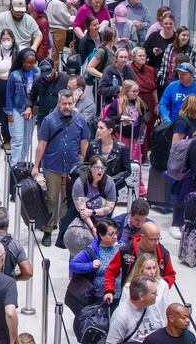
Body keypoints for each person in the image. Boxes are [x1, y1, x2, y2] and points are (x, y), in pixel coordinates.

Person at [33, 90, 89, 246]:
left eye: (70, 103)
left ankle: (64, 232)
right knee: (51, 199)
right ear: (59, 103)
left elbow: (84, 141)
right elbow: (42, 143)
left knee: (67, 201)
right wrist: (36, 165)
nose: (67, 106)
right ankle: (48, 230)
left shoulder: (80, 119)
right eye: (64, 103)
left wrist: (85, 162)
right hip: (52, 165)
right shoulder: (49, 120)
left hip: (73, 166)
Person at [103, 222, 176, 304]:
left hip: (154, 300)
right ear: (142, 237)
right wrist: (109, 291)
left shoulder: (163, 253)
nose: (156, 243)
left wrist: (161, 287)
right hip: (130, 298)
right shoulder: (126, 251)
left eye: (158, 239)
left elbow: (171, 275)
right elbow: (111, 271)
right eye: (152, 239)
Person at [69, 219, 121, 310]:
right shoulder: (92, 250)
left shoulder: (119, 247)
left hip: (118, 295)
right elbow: (73, 265)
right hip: (99, 298)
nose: (115, 237)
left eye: (116, 233)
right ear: (101, 235)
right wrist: (90, 265)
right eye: (110, 234)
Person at [105, 276, 165, 344]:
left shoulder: (152, 305)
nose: (157, 295)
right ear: (141, 296)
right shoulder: (121, 316)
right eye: (153, 293)